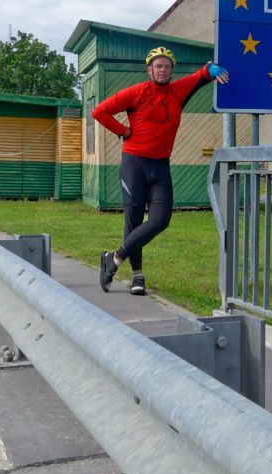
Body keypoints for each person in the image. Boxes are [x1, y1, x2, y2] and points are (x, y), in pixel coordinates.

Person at [91, 46, 229, 294]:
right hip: (134, 163)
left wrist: (211, 68)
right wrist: (123, 131)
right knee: (133, 221)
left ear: (171, 71)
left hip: (160, 166)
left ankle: (113, 258)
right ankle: (137, 276)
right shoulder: (136, 92)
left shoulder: (178, 91)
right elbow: (99, 111)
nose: (162, 70)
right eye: (158, 66)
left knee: (160, 220)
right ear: (149, 70)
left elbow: (201, 75)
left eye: (166, 66)